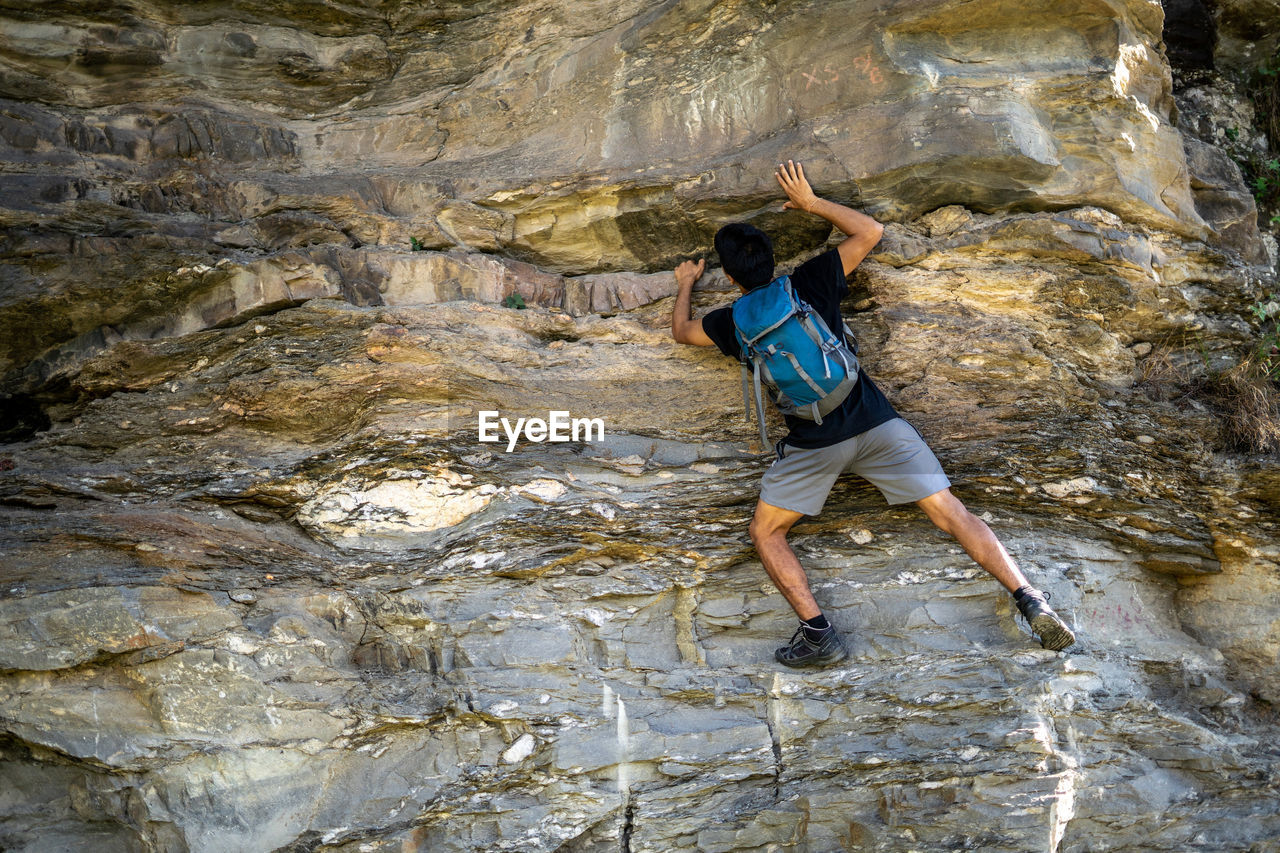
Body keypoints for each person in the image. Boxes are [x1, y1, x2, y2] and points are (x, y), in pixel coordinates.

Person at [670, 160, 1076, 667]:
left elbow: (681, 332)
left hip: (814, 444)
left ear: (729, 276)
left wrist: (687, 282)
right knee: (952, 514)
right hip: (878, 423)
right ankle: (1028, 597)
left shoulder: (729, 322)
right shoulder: (810, 281)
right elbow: (871, 231)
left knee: (766, 532)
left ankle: (818, 634)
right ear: (772, 259)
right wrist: (812, 202)